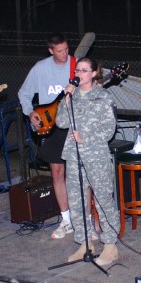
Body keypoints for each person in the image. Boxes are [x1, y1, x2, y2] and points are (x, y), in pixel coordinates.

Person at [55, 57, 121, 266]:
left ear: (93, 74)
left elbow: (109, 130)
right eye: (77, 70)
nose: (79, 73)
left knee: (103, 199)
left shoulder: (103, 97)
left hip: (95, 156)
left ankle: (110, 246)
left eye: (84, 70)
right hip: (74, 156)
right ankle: (85, 243)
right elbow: (61, 122)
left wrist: (86, 138)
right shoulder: (71, 96)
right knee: (77, 201)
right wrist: (65, 100)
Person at [18, 33, 74, 240]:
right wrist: (29, 112)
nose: (65, 54)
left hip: (73, 125)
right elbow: (24, 94)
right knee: (57, 173)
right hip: (50, 127)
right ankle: (66, 220)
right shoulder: (40, 68)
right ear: (51, 51)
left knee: (79, 173)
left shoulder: (75, 65)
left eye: (67, 49)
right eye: (60, 51)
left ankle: (83, 217)